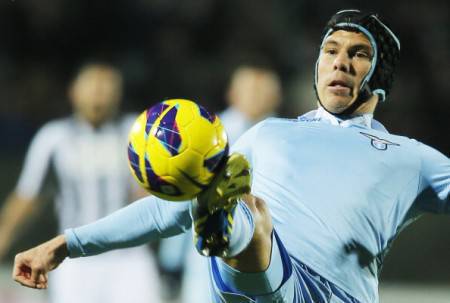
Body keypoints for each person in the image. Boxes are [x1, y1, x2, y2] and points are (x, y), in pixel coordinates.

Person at [12, 9, 450, 303]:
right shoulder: (270, 135)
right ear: (316, 66)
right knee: (235, 204)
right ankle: (229, 225)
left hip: (337, 294)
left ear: (381, 77)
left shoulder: (411, 159)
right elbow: (168, 213)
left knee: (232, 200)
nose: (340, 63)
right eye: (330, 52)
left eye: (359, 54)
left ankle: (231, 224)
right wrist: (66, 243)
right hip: (270, 280)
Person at [0, 63, 161, 303]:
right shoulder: (53, 137)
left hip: (130, 256)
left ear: (119, 93)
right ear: (73, 91)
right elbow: (28, 196)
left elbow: (151, 193)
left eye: (106, 86)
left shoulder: (136, 131)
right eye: (91, 85)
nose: (98, 92)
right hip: (73, 258)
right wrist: (3, 238)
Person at [157, 64, 282, 302]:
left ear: (277, 96)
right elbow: (185, 195)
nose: (255, 95)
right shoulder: (205, 135)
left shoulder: (286, 139)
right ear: (232, 93)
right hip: (208, 258)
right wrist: (171, 258)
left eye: (262, 89)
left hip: (266, 257)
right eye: (249, 89)